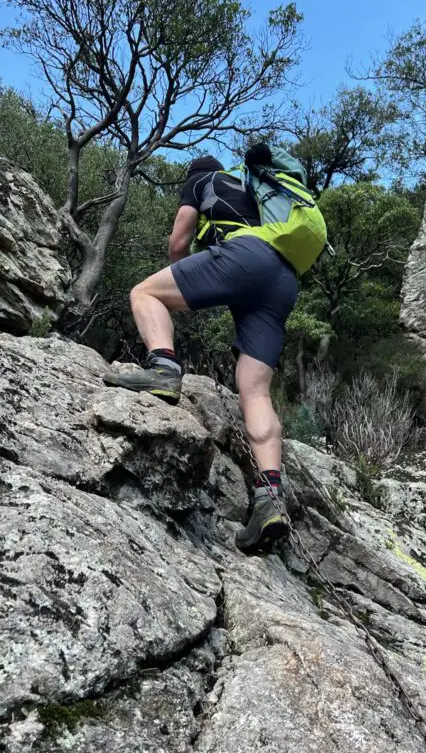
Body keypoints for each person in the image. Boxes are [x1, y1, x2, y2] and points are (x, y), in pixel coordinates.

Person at [103, 144, 311, 553]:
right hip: (284, 278)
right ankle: (270, 496)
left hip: (245, 258)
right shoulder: (256, 187)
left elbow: (179, 241)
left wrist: (186, 285)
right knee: (255, 389)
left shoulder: (202, 180)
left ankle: (163, 368)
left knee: (145, 293)